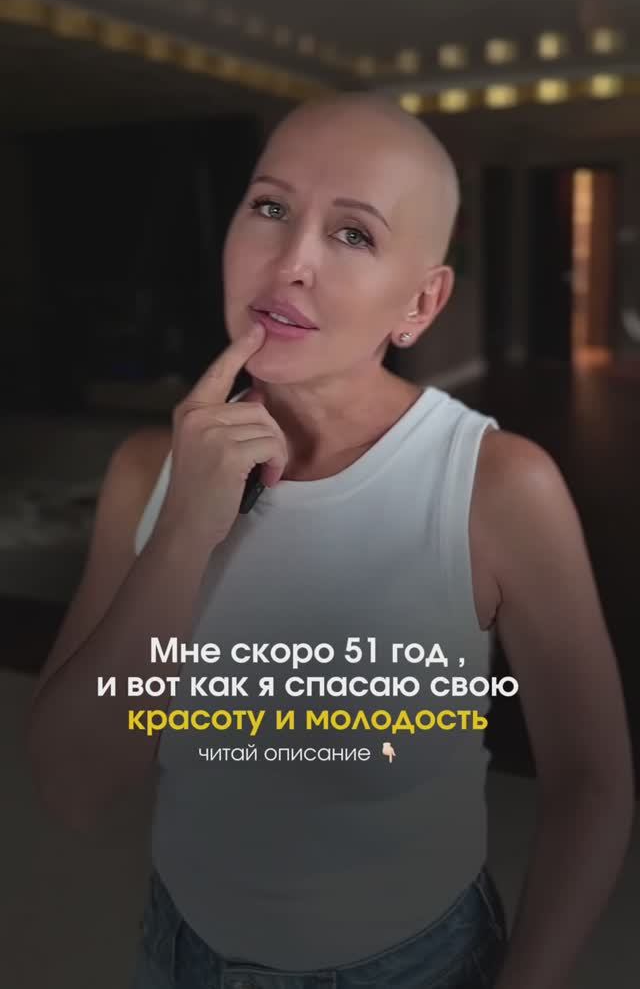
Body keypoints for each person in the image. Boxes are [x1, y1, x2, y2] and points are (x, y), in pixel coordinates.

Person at [28, 94, 633, 989]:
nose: (290, 263)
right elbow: (74, 787)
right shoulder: (145, 471)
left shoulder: (497, 486)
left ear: (421, 301)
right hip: (180, 954)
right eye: (269, 207)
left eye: (353, 233)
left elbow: (591, 781)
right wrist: (184, 529)